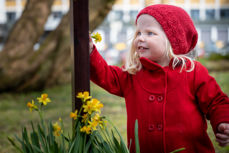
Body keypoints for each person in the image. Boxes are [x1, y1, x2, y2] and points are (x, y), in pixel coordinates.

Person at [89, 4, 229, 153]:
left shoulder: (192, 72)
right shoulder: (133, 73)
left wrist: (223, 121)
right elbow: (106, 76)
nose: (140, 38)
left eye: (150, 33)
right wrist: (90, 53)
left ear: (173, 41)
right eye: (138, 33)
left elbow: (216, 101)